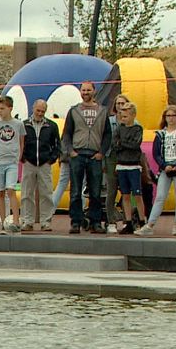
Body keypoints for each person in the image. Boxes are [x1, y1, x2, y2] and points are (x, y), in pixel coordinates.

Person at [135, 105, 176, 236]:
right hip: (165, 168)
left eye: (173, 116)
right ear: (164, 118)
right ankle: (150, 225)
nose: (171, 118)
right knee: (160, 196)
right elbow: (156, 153)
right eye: (168, 116)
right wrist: (163, 165)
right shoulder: (160, 134)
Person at [62, 81, 111, 234]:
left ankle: (95, 222)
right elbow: (67, 133)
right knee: (75, 191)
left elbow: (107, 134)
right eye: (83, 90)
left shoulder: (103, 111)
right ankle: (76, 221)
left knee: (95, 191)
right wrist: (70, 151)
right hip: (78, 154)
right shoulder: (74, 111)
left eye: (89, 90)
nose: (86, 92)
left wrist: (102, 152)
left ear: (94, 91)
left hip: (95, 155)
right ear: (80, 92)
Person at [20, 98, 60, 232]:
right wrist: (23, 157)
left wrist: (51, 159)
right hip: (28, 163)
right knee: (26, 193)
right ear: (33, 109)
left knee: (47, 193)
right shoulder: (24, 125)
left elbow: (57, 145)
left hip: (44, 164)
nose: (40, 113)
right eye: (38, 110)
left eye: (43, 111)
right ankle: (27, 220)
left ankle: (46, 221)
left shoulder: (52, 126)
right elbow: (20, 142)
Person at [0, 95, 24, 234]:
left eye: (2, 108)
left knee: (11, 189)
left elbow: (21, 141)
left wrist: (18, 157)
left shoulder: (18, 124)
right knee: (0, 192)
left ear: (10, 108)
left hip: (11, 162)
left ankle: (15, 220)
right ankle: (3, 222)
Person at [111, 102, 143, 234]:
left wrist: (122, 143)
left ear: (133, 115)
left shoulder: (137, 129)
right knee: (125, 195)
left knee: (137, 194)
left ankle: (142, 221)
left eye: (125, 116)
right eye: (121, 116)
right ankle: (128, 221)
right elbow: (115, 145)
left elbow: (135, 145)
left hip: (133, 165)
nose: (123, 119)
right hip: (121, 164)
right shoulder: (119, 129)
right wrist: (123, 144)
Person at [104, 93, 132, 233]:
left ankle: (129, 221)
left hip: (127, 158)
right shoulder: (109, 121)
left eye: (123, 103)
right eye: (118, 104)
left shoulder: (133, 122)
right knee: (111, 190)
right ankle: (111, 221)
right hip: (111, 157)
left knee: (128, 191)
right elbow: (105, 141)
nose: (120, 106)